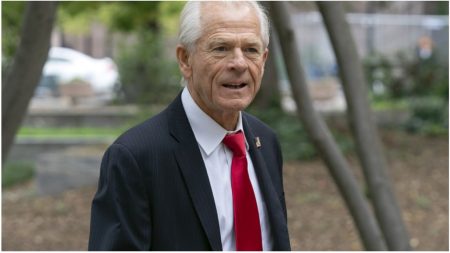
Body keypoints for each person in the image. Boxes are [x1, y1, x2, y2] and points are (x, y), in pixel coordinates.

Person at [88, 1, 290, 251]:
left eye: (250, 49)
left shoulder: (266, 142)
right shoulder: (135, 158)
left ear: (264, 59)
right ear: (185, 59)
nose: (238, 63)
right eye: (221, 48)